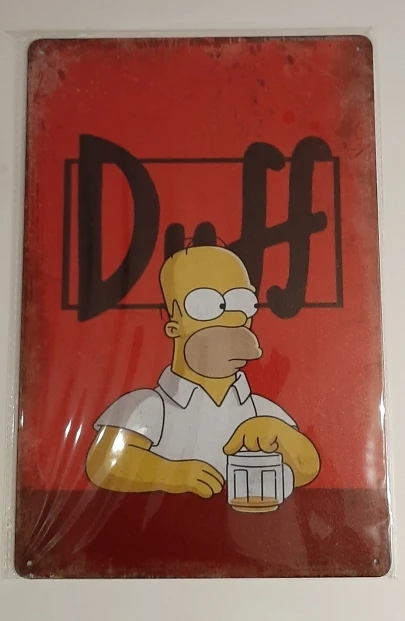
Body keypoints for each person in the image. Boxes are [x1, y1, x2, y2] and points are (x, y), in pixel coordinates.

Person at [86, 245, 320, 499]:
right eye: (206, 305)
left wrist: (282, 436)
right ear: (173, 324)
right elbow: (102, 463)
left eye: (241, 302)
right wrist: (173, 474)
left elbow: (308, 467)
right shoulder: (150, 406)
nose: (232, 319)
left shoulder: (260, 411)